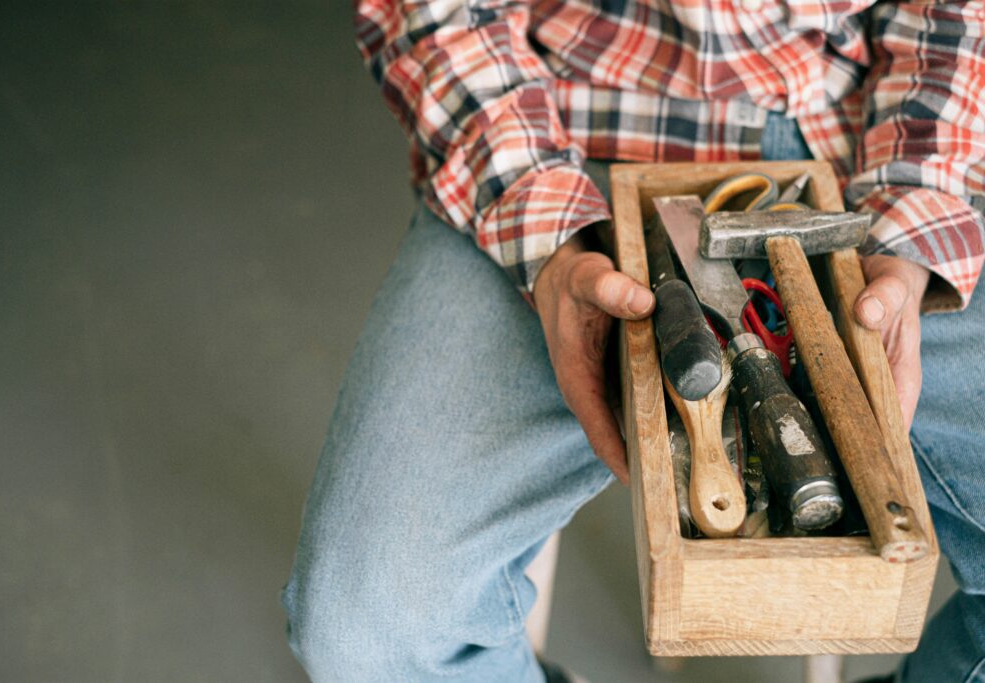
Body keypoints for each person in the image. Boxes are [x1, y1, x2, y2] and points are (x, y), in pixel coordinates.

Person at [283, 1, 985, 680]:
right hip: (548, 142)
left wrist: (914, 214)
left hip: (858, 157)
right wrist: (547, 238)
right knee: (365, 622)